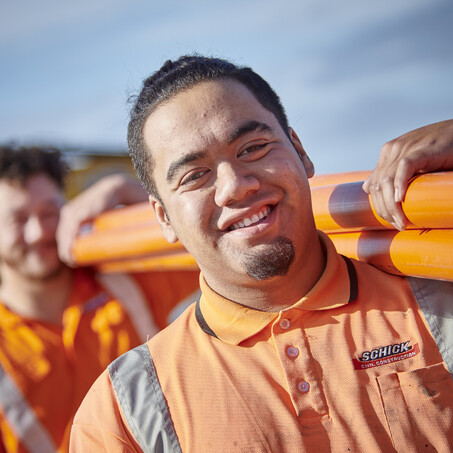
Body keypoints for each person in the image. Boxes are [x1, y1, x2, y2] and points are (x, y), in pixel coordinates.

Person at [70, 56, 453, 452]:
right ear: (164, 217)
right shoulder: (124, 414)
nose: (236, 186)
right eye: (194, 176)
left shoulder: (438, 299)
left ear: (301, 152)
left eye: (253, 148)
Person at [0, 146, 200, 452]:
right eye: (18, 219)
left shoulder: (124, 284)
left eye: (49, 213)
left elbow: (202, 240)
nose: (38, 231)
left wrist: (121, 189)